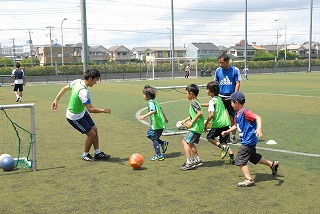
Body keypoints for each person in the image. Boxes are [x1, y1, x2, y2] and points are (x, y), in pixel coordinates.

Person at [51, 68, 111, 161]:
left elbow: (63, 89)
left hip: (82, 112)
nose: (96, 83)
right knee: (91, 134)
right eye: (96, 80)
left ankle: (97, 153)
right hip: (74, 117)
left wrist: (56, 100)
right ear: (90, 79)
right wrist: (103, 110)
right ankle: (85, 154)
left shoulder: (78, 81)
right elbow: (90, 109)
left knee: (94, 129)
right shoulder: (83, 92)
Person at [221, 92, 279, 187]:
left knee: (240, 159)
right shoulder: (236, 114)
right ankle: (272, 164)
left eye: (231, 102)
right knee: (253, 157)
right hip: (248, 141)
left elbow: (258, 118)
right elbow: (237, 125)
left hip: (249, 141)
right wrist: (228, 131)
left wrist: (259, 128)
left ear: (236, 102)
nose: (230, 104)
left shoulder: (245, 112)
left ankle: (249, 179)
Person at [202, 81, 235, 165]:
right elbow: (212, 104)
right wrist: (200, 104)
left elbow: (212, 114)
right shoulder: (220, 99)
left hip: (218, 124)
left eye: (207, 89)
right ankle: (232, 158)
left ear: (211, 91)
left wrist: (206, 124)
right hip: (226, 123)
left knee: (209, 137)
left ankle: (221, 147)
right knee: (223, 142)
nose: (206, 91)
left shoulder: (212, 101)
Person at [214, 53, 241, 144]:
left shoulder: (235, 70)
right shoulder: (218, 70)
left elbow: (237, 82)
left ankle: (233, 136)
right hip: (221, 97)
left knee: (232, 118)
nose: (220, 64)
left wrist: (235, 95)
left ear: (227, 61)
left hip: (231, 97)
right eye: (219, 63)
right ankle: (220, 135)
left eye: (222, 62)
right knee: (219, 117)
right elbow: (216, 82)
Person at [139, 85, 169, 161]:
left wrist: (144, 116)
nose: (143, 96)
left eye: (144, 94)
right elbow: (160, 109)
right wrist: (165, 118)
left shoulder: (151, 102)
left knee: (153, 137)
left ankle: (159, 155)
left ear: (147, 95)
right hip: (159, 123)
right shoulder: (154, 101)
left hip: (157, 124)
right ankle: (162, 143)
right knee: (150, 135)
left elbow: (153, 111)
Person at [180, 84, 204, 170]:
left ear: (191, 93)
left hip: (195, 127)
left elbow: (199, 113)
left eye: (186, 93)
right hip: (198, 127)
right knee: (190, 143)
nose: (186, 95)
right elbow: (192, 115)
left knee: (185, 142)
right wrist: (185, 120)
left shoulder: (193, 103)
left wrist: (191, 123)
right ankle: (197, 159)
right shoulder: (196, 102)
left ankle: (189, 162)